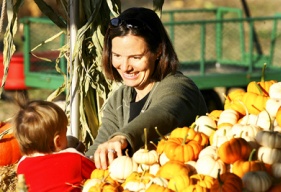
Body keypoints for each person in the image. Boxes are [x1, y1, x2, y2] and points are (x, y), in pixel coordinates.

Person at [85, 7, 207, 169]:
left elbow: (166, 112)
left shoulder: (179, 86)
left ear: (158, 51)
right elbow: (99, 148)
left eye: (135, 57)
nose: (125, 67)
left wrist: (122, 137)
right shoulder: (119, 99)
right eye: (117, 56)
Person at [12, 99, 95, 192]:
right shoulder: (75, 157)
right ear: (57, 141)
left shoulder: (22, 166)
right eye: (65, 132)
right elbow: (97, 175)